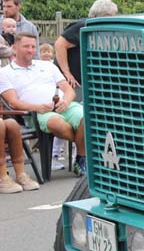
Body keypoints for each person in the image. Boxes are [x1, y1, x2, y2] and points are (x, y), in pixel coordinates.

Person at [1, 31, 85, 176]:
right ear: (15, 48)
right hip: (36, 113)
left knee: (87, 117)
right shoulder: (5, 72)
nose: (30, 50)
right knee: (56, 123)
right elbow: (13, 102)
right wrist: (37, 107)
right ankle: (86, 148)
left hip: (62, 105)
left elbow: (69, 90)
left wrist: (66, 101)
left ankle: (81, 158)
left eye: (33, 47)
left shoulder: (47, 66)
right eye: (26, 46)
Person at [55, 0, 119, 105]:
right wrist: (67, 73)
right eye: (111, 16)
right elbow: (59, 44)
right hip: (72, 81)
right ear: (103, 15)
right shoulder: (83, 25)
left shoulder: (100, 30)